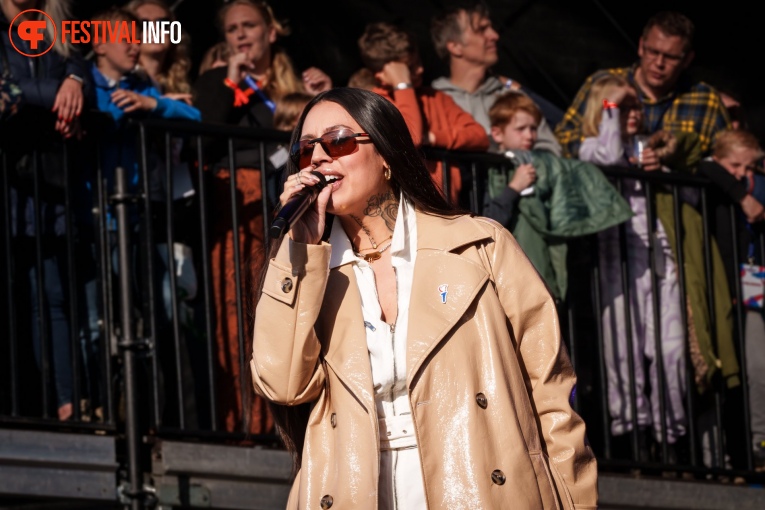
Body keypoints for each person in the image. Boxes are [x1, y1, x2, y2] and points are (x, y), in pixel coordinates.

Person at [250, 86, 597, 510]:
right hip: (355, 490)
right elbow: (282, 385)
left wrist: (575, 501)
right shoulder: (310, 272)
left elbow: (551, 391)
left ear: (386, 154)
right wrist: (298, 251)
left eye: (337, 141)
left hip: (478, 485)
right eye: (305, 150)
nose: (319, 158)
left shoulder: (480, 246)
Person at [192, 0, 332, 435]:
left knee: (303, 308)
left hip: (299, 208)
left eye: (249, 25)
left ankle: (297, 426)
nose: (240, 34)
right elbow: (205, 140)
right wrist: (229, 79)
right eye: (232, 28)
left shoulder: (296, 83)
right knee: (242, 311)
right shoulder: (218, 80)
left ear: (272, 30)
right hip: (241, 210)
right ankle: (246, 427)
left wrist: (326, 98)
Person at [86, 5, 201, 425]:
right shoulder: (84, 83)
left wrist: (151, 104)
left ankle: (157, 418)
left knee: (151, 318)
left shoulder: (143, 85)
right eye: (125, 38)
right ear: (99, 43)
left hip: (136, 224)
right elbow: (102, 111)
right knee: (101, 320)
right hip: (98, 222)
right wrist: (139, 105)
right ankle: (100, 410)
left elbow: (193, 115)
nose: (135, 45)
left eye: (139, 37)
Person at [578, 75, 688, 453]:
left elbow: (686, 194)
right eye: (623, 106)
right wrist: (611, 110)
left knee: (670, 350)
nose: (632, 113)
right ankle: (632, 434)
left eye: (636, 106)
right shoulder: (592, 146)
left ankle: (669, 433)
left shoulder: (650, 149)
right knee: (622, 347)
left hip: (659, 259)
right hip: (616, 259)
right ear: (604, 108)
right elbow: (607, 158)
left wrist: (663, 171)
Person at [1, 0, 89, 421]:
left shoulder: (61, 31)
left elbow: (88, 68)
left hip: (49, 186)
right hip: (11, 183)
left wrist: (75, 80)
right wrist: (58, 93)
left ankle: (66, 403)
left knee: (52, 298)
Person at [482, 90, 633, 301]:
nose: (529, 135)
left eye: (533, 128)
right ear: (497, 134)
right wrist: (514, 188)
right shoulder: (490, 169)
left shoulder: (544, 164)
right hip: (508, 272)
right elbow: (489, 221)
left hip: (539, 265)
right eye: (521, 129)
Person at [555, 11, 731, 160]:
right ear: (641, 47)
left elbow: (730, 159)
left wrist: (669, 164)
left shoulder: (705, 100)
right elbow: (562, 139)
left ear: (687, 60)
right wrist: (608, 149)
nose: (659, 63)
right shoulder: (603, 82)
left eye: (670, 57)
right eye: (653, 52)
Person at [357, 21, 488, 204]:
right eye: (409, 68)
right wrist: (403, 85)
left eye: (418, 62)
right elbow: (412, 137)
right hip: (402, 208)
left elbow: (480, 136)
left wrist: (434, 138)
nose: (420, 69)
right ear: (381, 74)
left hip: (447, 206)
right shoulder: (374, 103)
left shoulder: (437, 98)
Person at [697, 130, 765, 470]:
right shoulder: (713, 181)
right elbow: (705, 166)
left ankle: (757, 444)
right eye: (734, 164)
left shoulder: (752, 187)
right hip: (713, 286)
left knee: (755, 366)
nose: (741, 174)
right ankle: (718, 455)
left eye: (749, 167)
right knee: (721, 370)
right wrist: (741, 194)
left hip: (749, 290)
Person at [430, 0, 563, 155]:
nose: (494, 35)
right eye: (481, 29)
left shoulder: (513, 97)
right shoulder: (432, 100)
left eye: (491, 28)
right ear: (455, 47)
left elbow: (551, 152)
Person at [126, 0, 192, 103]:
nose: (155, 29)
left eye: (163, 24)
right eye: (144, 24)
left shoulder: (176, 84)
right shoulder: (121, 79)